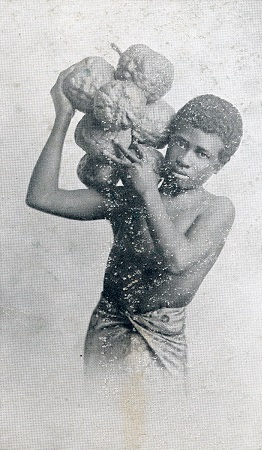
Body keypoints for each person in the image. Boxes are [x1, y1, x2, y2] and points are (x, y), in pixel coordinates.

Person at [26, 67, 243, 379]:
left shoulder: (216, 208)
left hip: (160, 337)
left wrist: (147, 191)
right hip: (108, 322)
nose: (184, 158)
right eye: (180, 143)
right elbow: (42, 196)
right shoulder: (130, 195)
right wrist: (63, 117)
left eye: (202, 154)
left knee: (158, 425)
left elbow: (177, 259)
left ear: (219, 165)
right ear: (168, 139)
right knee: (99, 419)